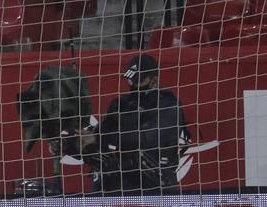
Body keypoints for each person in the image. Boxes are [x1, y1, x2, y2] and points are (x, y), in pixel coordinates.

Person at [80, 53, 192, 194]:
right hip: (120, 183)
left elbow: (144, 139)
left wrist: (102, 137)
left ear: (154, 80)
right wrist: (79, 140)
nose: (132, 84)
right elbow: (97, 135)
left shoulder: (168, 107)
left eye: (138, 80)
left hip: (156, 186)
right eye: (131, 79)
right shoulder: (121, 104)